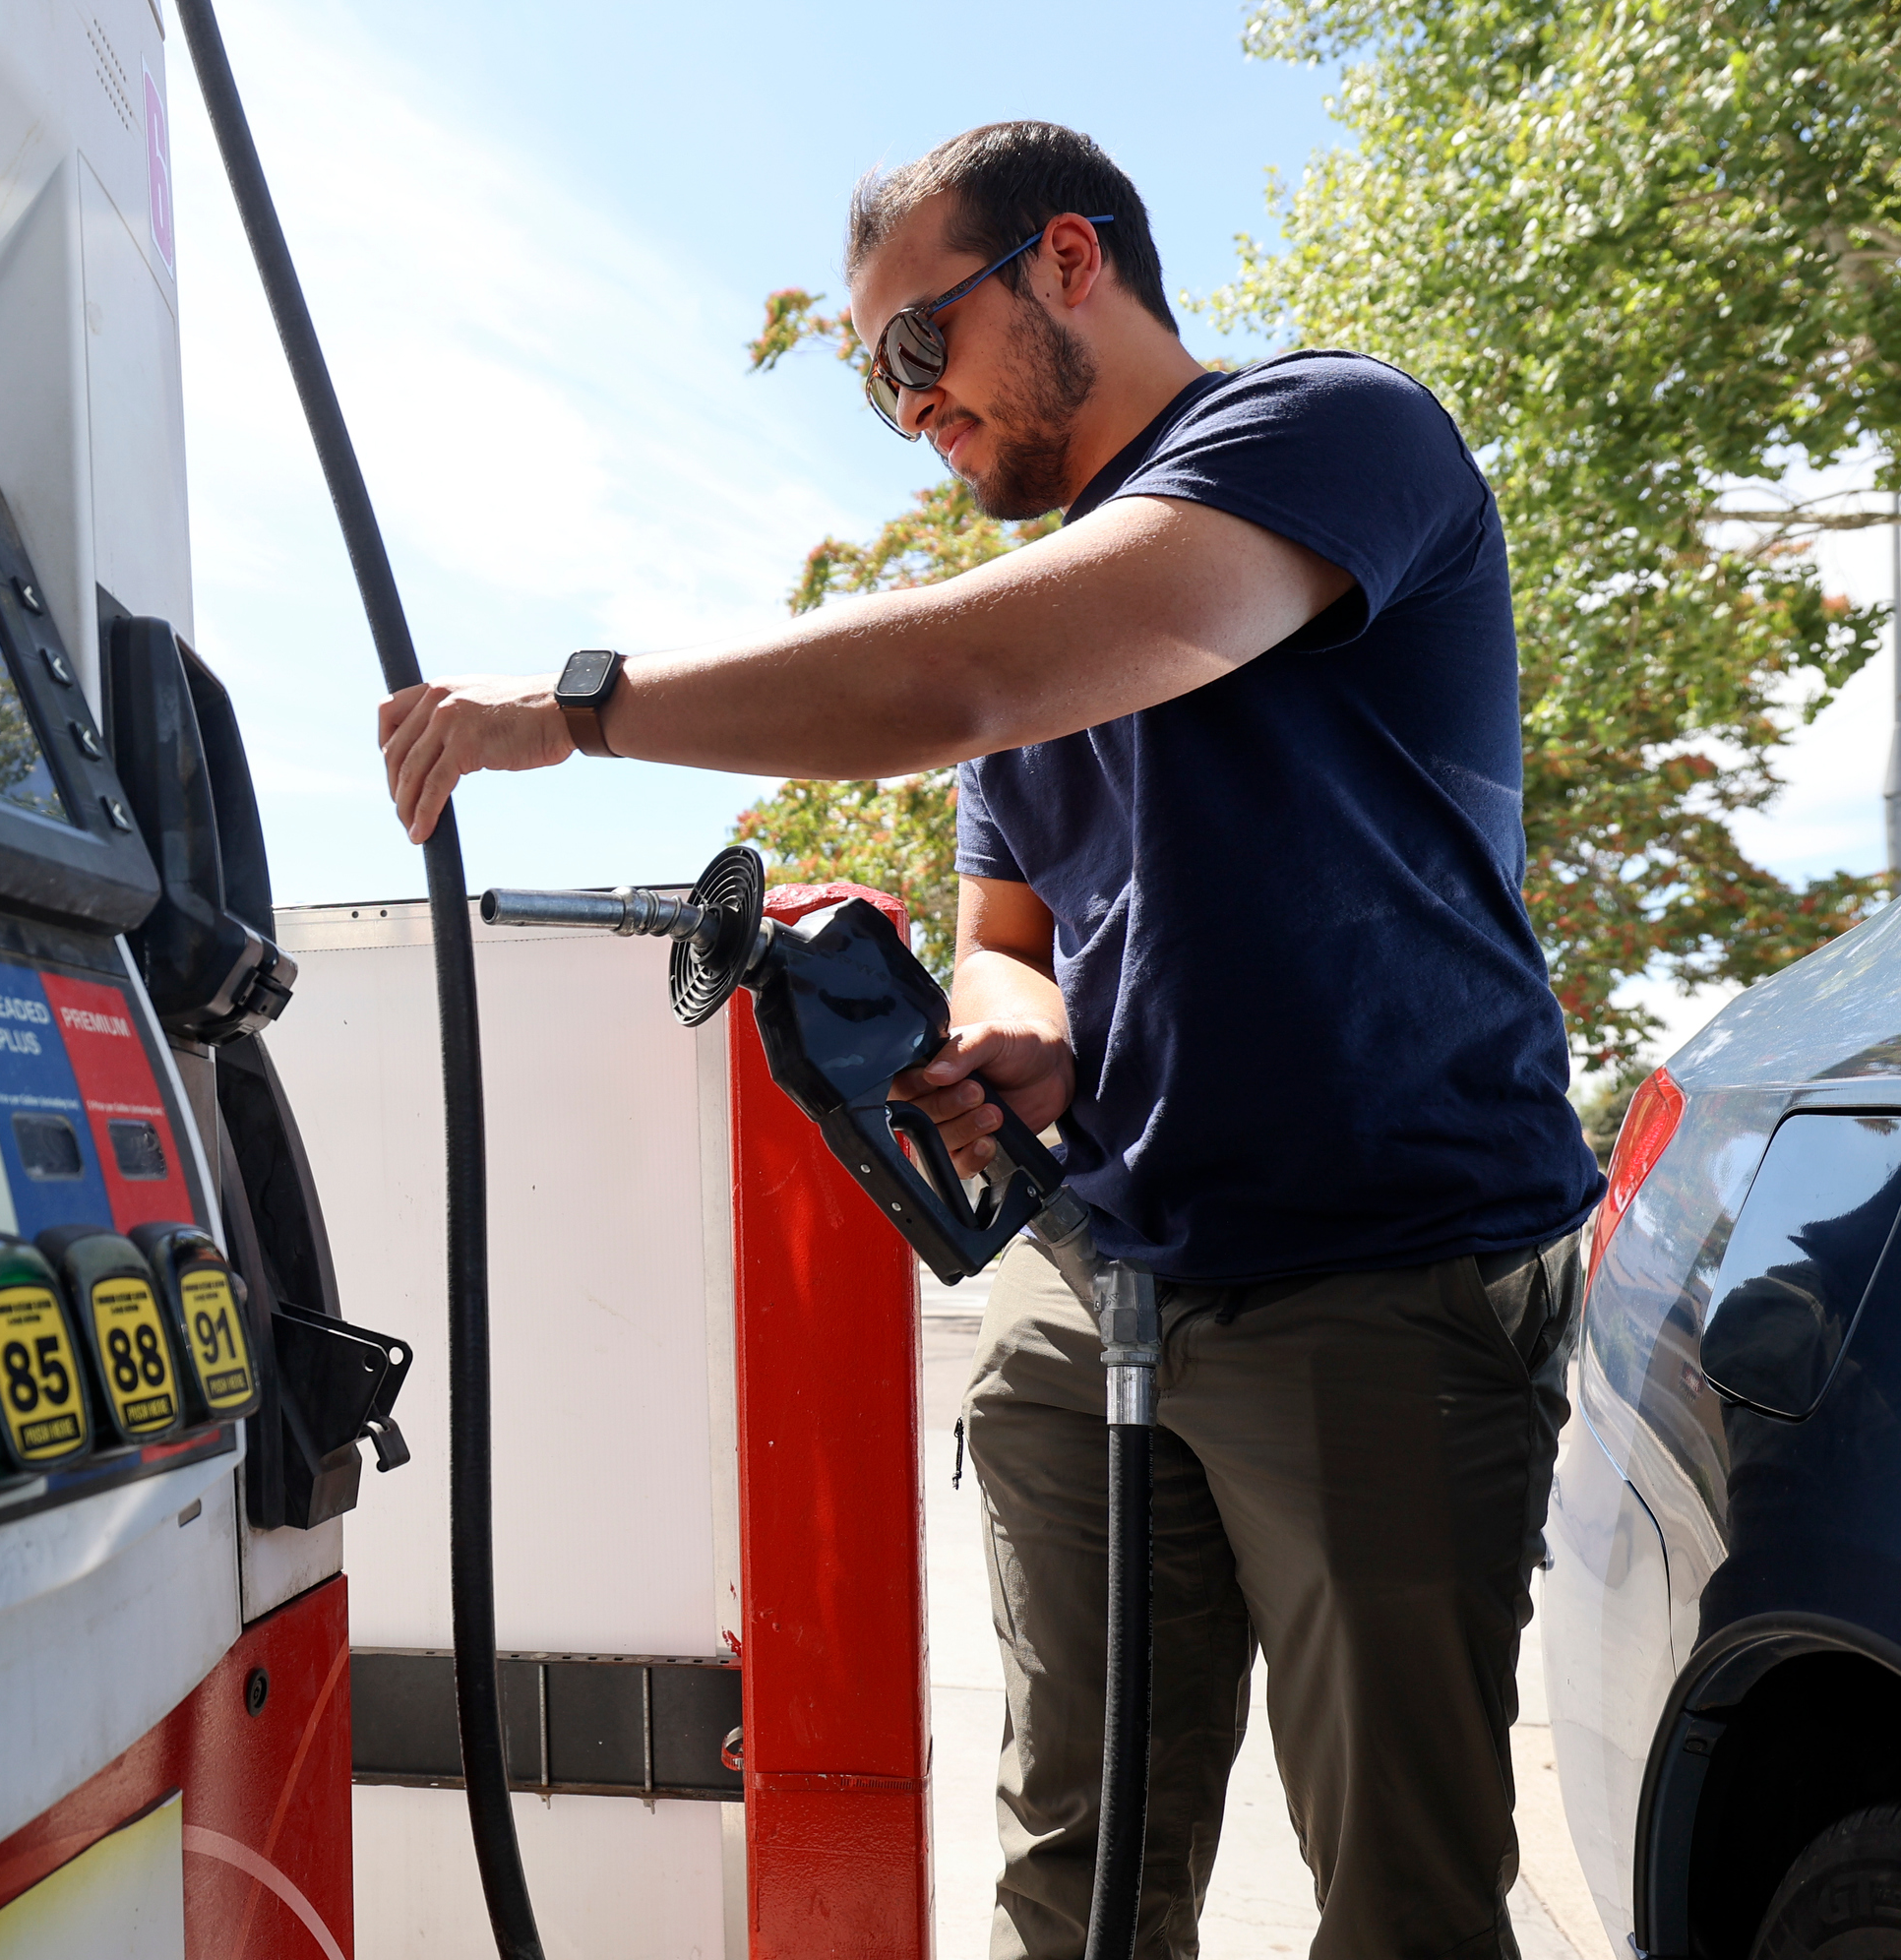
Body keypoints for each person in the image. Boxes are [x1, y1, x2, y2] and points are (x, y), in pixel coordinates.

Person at [376, 120, 1601, 1960]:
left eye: (913, 349)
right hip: (1093, 1286)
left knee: (1401, 1899)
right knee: (1078, 1873)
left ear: (1069, 262)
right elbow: (1014, 938)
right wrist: (1016, 1042)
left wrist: (578, 710)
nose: (911, 414)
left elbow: (963, 674)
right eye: (882, 388)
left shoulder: (1330, 435)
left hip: (1374, 1268)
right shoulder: (1043, 653)